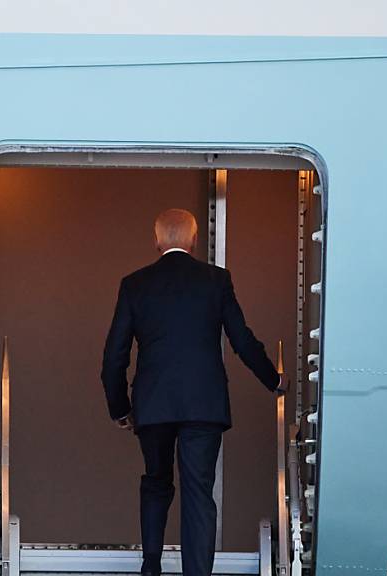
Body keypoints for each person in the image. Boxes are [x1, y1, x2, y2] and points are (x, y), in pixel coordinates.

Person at [100, 208, 283, 576]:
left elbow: (114, 355)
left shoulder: (134, 284)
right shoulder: (216, 280)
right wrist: (273, 379)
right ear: (195, 239)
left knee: (156, 480)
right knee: (199, 493)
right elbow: (241, 339)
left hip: (153, 404)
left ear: (156, 241)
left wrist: (120, 408)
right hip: (204, 404)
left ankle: (150, 566)